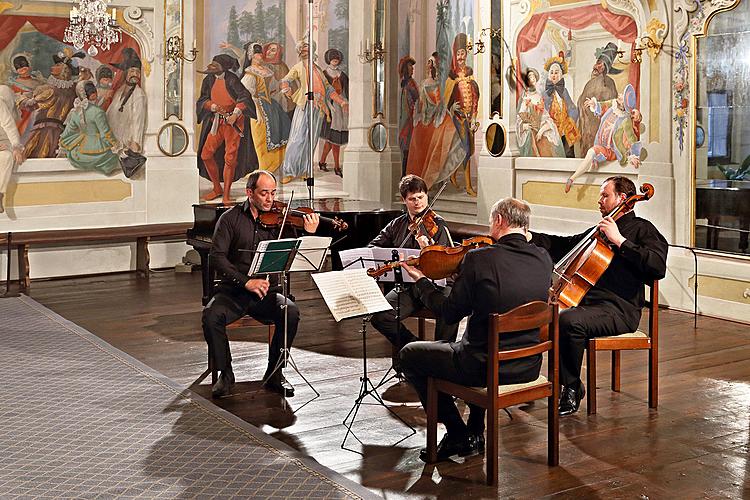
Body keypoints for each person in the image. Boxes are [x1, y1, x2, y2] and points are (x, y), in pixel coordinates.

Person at [399, 197, 553, 462]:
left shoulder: (479, 259)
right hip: (528, 364)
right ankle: (475, 429)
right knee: (478, 339)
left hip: (483, 367)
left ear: (499, 221)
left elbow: (448, 313)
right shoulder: (543, 258)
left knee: (410, 355)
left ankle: (458, 432)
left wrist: (423, 282)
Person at [530, 176, 667, 415]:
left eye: (605, 195)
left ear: (623, 199)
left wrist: (621, 241)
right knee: (542, 313)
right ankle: (530, 379)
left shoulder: (642, 229)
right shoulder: (599, 230)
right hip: (588, 306)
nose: (599, 201)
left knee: (568, 320)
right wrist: (530, 237)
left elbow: (657, 266)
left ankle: (571, 386)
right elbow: (565, 245)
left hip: (620, 309)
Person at [202, 170, 320, 398]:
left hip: (267, 292)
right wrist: (246, 282)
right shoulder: (230, 219)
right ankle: (226, 373)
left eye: (273, 193)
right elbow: (216, 258)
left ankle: (274, 373)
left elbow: (297, 253)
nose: (270, 199)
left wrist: (309, 233)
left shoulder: (281, 220)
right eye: (264, 193)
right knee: (211, 316)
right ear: (249, 193)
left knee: (290, 312)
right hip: (233, 291)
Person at [368, 175, 459, 367]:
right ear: (404, 200)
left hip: (436, 287)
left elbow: (449, 265)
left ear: (426, 196)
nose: (417, 202)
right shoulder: (397, 224)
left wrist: (428, 249)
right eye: (412, 199)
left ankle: (443, 363)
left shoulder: (437, 224)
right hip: (408, 287)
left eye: (420, 197)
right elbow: (374, 248)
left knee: (450, 309)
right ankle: (416, 350)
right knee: (380, 316)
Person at [279, 38, 348, 184]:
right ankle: (289, 171)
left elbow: (328, 88)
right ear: (299, 51)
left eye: (308, 48)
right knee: (298, 138)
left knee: (311, 140)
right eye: (303, 48)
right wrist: (286, 88)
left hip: (319, 108)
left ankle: (305, 170)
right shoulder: (298, 67)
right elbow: (286, 79)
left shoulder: (317, 69)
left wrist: (341, 101)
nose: (305, 50)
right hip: (305, 105)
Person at [196, 54, 257, 204]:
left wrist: (235, 114)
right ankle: (217, 188)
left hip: (233, 124)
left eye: (215, 65)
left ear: (223, 67)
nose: (212, 67)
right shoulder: (208, 80)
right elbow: (202, 99)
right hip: (217, 122)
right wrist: (211, 105)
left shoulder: (232, 79)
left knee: (230, 159)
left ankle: (226, 195)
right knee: (206, 155)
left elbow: (244, 98)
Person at [565, 84, 644, 192]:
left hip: (610, 150)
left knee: (590, 152)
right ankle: (572, 179)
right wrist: (594, 104)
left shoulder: (625, 120)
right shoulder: (613, 106)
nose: (619, 96)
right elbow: (602, 106)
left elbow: (630, 138)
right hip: (600, 144)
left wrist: (633, 156)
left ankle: (572, 179)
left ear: (624, 104)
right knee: (591, 154)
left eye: (621, 97)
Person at [22, 49, 83, 158]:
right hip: (60, 132)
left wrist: (22, 99)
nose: (52, 67)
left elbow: (31, 105)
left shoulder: (50, 89)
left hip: (45, 130)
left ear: (64, 69)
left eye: (57, 65)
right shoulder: (72, 89)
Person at [240, 42, 291, 174]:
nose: (260, 55)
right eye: (257, 53)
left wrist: (282, 90)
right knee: (261, 136)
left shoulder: (267, 70)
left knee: (283, 129)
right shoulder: (250, 73)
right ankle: (264, 166)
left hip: (271, 105)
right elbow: (247, 95)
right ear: (251, 56)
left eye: (260, 53)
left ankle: (276, 164)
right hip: (256, 106)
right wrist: (257, 111)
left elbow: (273, 89)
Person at [59, 81, 120, 175]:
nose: (94, 93)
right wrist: (117, 146)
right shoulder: (98, 112)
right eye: (91, 91)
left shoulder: (75, 112)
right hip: (98, 152)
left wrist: (62, 146)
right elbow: (105, 134)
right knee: (112, 158)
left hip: (77, 154)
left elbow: (68, 132)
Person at [576, 42, 621, 156]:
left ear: (606, 68)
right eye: (597, 63)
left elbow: (613, 105)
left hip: (600, 125)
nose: (596, 67)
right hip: (587, 124)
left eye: (601, 65)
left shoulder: (608, 83)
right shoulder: (591, 83)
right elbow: (582, 101)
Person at [516, 68, 564, 158]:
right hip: (529, 132)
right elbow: (519, 118)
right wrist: (523, 126)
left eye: (534, 76)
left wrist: (542, 130)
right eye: (530, 77)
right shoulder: (524, 97)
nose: (532, 79)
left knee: (548, 142)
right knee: (533, 143)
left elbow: (545, 116)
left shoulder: (539, 96)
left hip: (540, 128)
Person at [106, 49, 147, 156]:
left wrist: (136, 143)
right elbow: (110, 112)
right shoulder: (120, 90)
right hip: (112, 140)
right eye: (132, 71)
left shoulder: (139, 94)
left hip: (126, 143)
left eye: (138, 72)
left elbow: (138, 121)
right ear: (126, 73)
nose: (136, 74)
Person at [542, 52, 579, 158]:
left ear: (561, 75)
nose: (554, 75)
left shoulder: (564, 91)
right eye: (552, 72)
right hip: (551, 129)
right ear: (549, 75)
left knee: (568, 152)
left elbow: (572, 108)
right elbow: (542, 113)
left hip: (565, 128)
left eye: (556, 72)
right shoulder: (545, 94)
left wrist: (570, 121)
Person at [318, 48, 349, 177]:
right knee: (334, 139)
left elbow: (347, 91)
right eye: (332, 57)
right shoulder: (324, 74)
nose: (335, 60)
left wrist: (346, 103)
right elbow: (323, 91)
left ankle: (322, 161)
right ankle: (336, 166)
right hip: (329, 109)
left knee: (331, 140)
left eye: (337, 57)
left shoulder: (342, 75)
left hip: (342, 107)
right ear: (329, 59)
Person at [0, 85, 24, 214]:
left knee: (6, 157)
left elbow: (8, 125)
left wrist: (15, 146)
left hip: (3, 140)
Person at [398, 56, 419, 177]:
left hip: (410, 120)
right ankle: (404, 174)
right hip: (404, 120)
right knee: (405, 147)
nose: (412, 69)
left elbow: (417, 100)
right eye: (410, 66)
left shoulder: (412, 83)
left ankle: (405, 174)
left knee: (408, 148)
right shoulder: (404, 83)